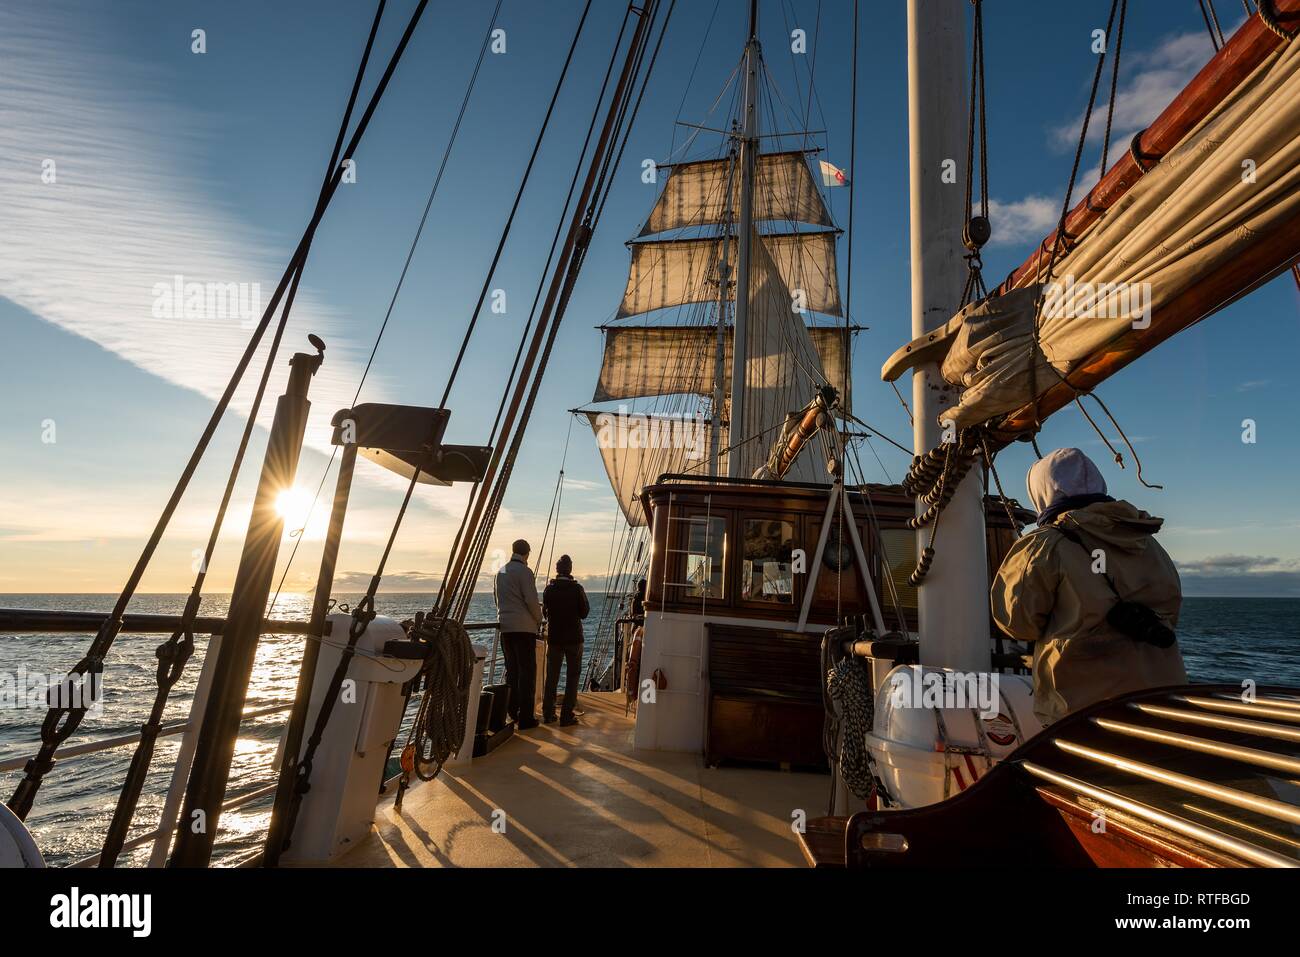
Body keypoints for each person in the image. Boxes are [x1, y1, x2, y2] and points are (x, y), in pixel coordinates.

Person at [990, 447, 1187, 725]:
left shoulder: (1045, 544)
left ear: (1041, 492)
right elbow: (1170, 610)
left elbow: (1016, 622)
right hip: (1162, 700)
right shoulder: (1147, 541)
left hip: (1083, 709)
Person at [494, 538, 543, 730]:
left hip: (506, 627)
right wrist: (539, 619)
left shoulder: (501, 571)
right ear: (527, 554)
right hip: (524, 629)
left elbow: (496, 597)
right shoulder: (525, 571)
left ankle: (512, 712)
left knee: (512, 671)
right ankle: (526, 717)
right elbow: (531, 600)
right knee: (527, 673)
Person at [542, 554, 589, 726]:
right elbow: (584, 613)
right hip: (574, 639)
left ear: (557, 570)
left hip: (554, 638)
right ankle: (567, 715)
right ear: (569, 570)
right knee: (573, 676)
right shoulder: (577, 589)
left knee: (552, 676)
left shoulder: (549, 590)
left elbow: (544, 612)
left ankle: (548, 713)